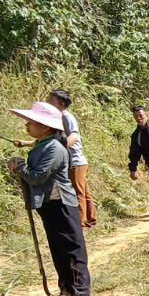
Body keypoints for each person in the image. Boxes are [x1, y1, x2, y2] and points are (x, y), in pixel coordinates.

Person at [7, 101, 91, 296]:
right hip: (49, 203)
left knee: (72, 247)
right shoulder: (41, 145)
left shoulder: (53, 148)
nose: (26, 125)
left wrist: (20, 168)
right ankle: (66, 288)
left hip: (62, 203)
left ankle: (81, 292)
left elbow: (37, 177)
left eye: (30, 122)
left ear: (44, 126)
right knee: (57, 247)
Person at [45, 88, 96, 228]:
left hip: (75, 162)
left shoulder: (66, 117)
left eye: (51, 100)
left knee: (77, 193)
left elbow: (74, 135)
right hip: (74, 162)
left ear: (61, 104)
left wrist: (59, 149)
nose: (48, 102)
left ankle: (79, 224)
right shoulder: (58, 118)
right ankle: (90, 218)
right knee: (83, 192)